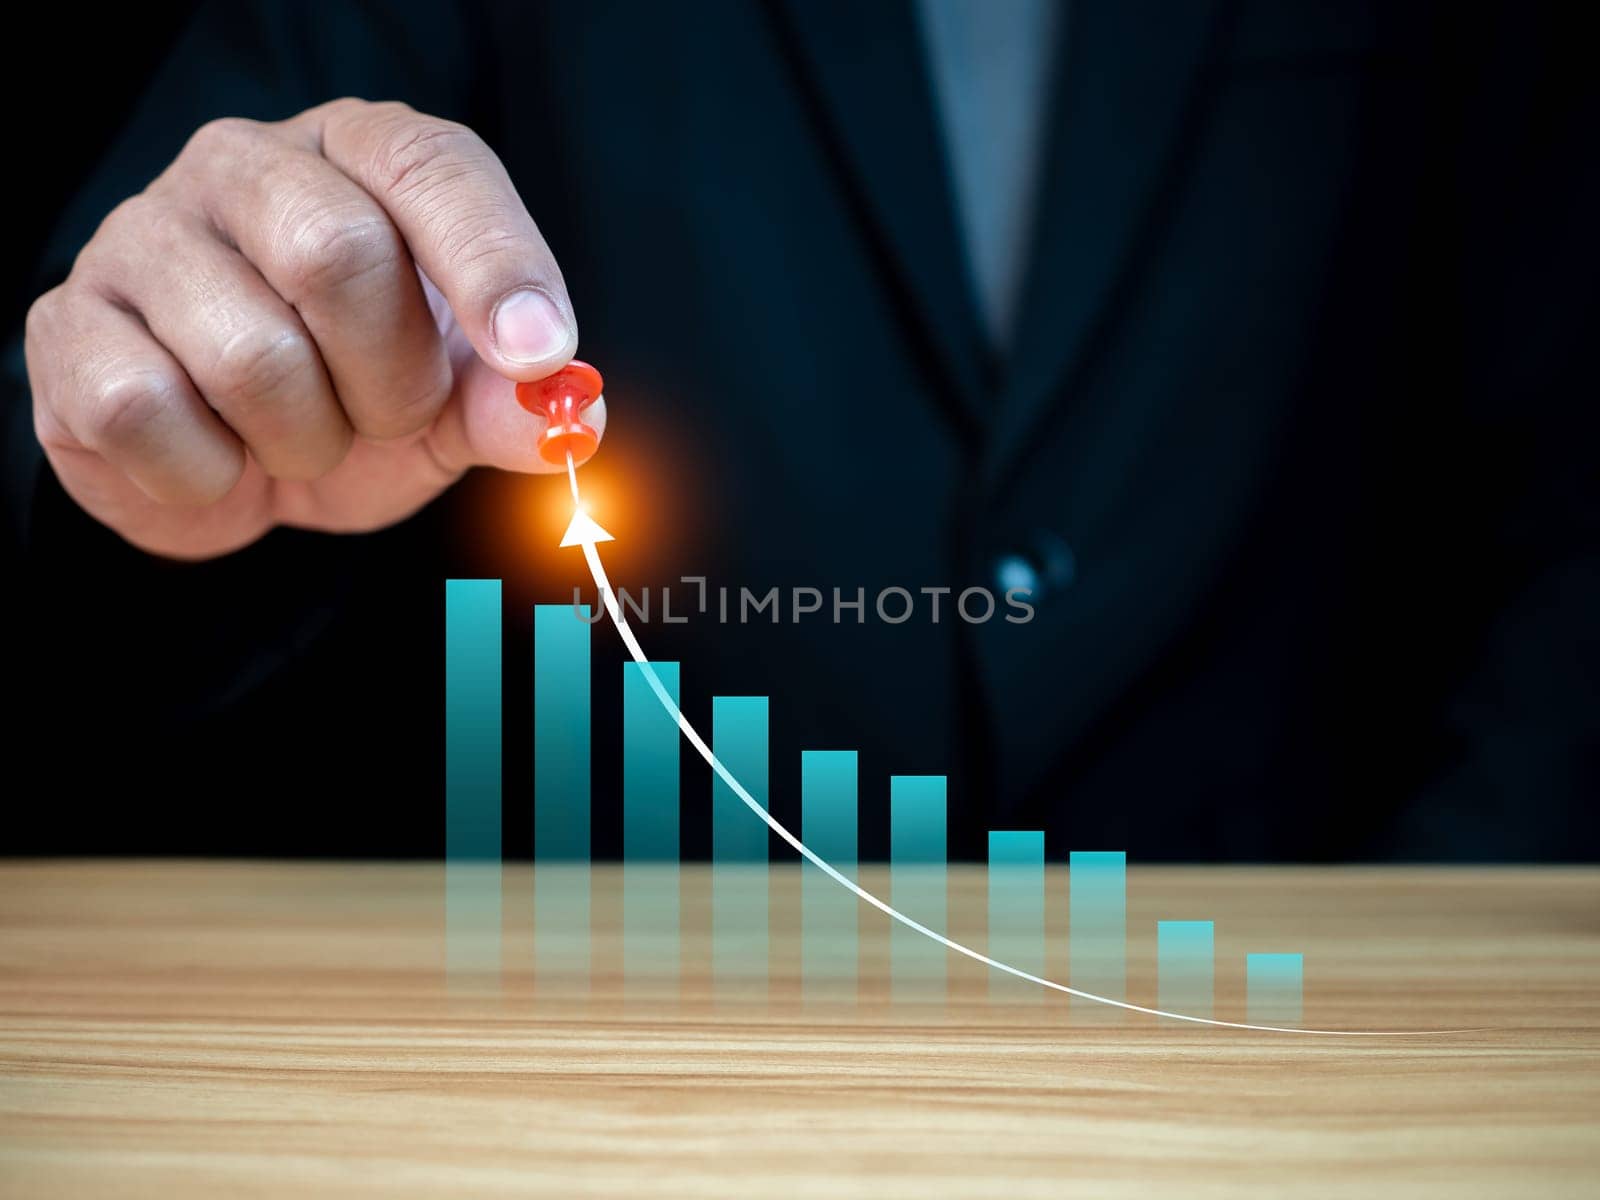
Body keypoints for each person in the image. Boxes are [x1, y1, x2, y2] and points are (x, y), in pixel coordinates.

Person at [6, 1, 1597, 861]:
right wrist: (167, 453)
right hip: (628, 1047)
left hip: (1291, 993)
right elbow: (100, 398)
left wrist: (1455, 952)